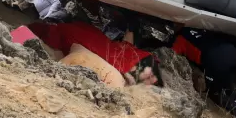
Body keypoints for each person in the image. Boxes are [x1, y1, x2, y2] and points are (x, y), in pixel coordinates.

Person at [172, 27, 236, 118]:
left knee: (215, 92)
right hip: (232, 52)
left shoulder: (180, 38)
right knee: (227, 86)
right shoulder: (195, 28)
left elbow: (171, 54)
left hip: (216, 59)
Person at [28, 21, 161, 86]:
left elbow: (68, 59)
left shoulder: (67, 40)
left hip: (136, 66)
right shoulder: (75, 27)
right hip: (139, 56)